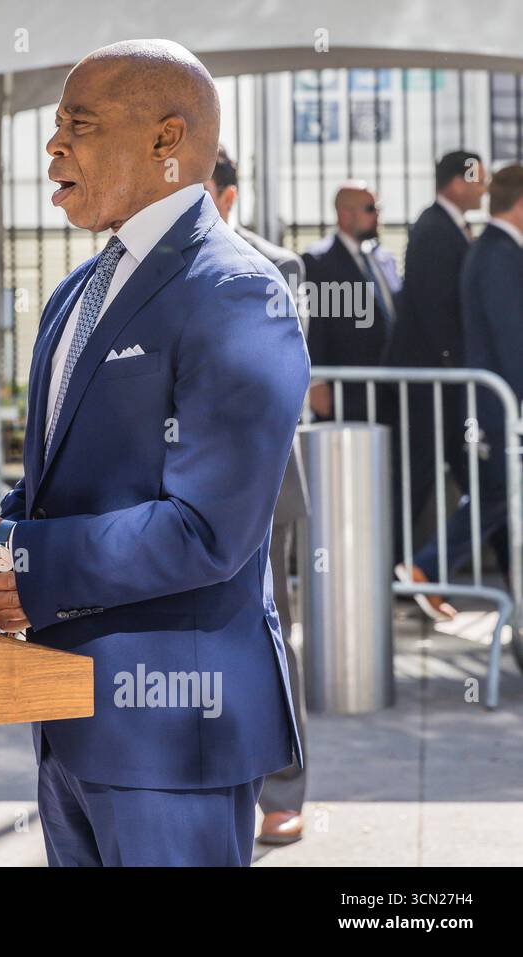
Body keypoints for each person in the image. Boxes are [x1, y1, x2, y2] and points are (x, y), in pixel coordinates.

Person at [0, 39, 307, 867]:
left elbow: (205, 531)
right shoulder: (73, 295)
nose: (54, 148)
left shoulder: (238, 292)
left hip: (174, 734)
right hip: (69, 722)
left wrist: (9, 546)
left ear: (167, 140)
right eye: (55, 127)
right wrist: (3, 542)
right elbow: (67, 492)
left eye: (77, 126)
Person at [206, 146, 309, 846]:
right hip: (171, 492)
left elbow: (278, 378)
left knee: (267, 632)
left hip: (259, 485)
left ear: (229, 195)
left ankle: (282, 789)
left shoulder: (277, 265)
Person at [386, 151, 493, 620]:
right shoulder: (434, 228)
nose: (484, 188)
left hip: (443, 386)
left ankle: (416, 573)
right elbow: (433, 305)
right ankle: (402, 575)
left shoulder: (447, 227)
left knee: (471, 480)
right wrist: (455, 366)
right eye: (477, 179)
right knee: (418, 480)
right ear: (456, 181)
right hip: (430, 387)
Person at [412, 166, 523, 593]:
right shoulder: (498, 254)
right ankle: (427, 568)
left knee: (498, 493)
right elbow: (510, 337)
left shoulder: (493, 249)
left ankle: (429, 570)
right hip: (500, 403)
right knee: (497, 493)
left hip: (496, 400)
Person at [304, 182, 398, 421]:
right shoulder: (319, 262)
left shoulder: (384, 260)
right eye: (370, 208)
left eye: (378, 208)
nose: (377, 214)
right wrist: (316, 381)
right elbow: (314, 325)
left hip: (392, 389)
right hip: (348, 392)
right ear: (344, 214)